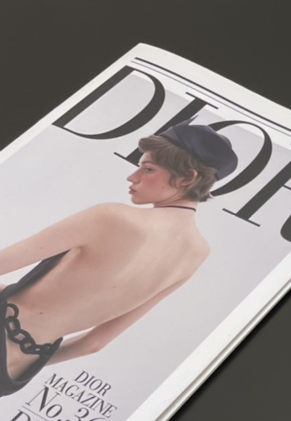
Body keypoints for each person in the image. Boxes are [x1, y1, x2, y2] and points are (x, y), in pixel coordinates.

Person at [0, 121, 238, 396]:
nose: (132, 177)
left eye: (148, 169)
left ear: (187, 178)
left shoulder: (111, 216)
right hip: (15, 375)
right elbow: (94, 344)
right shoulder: (196, 254)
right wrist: (28, 356)